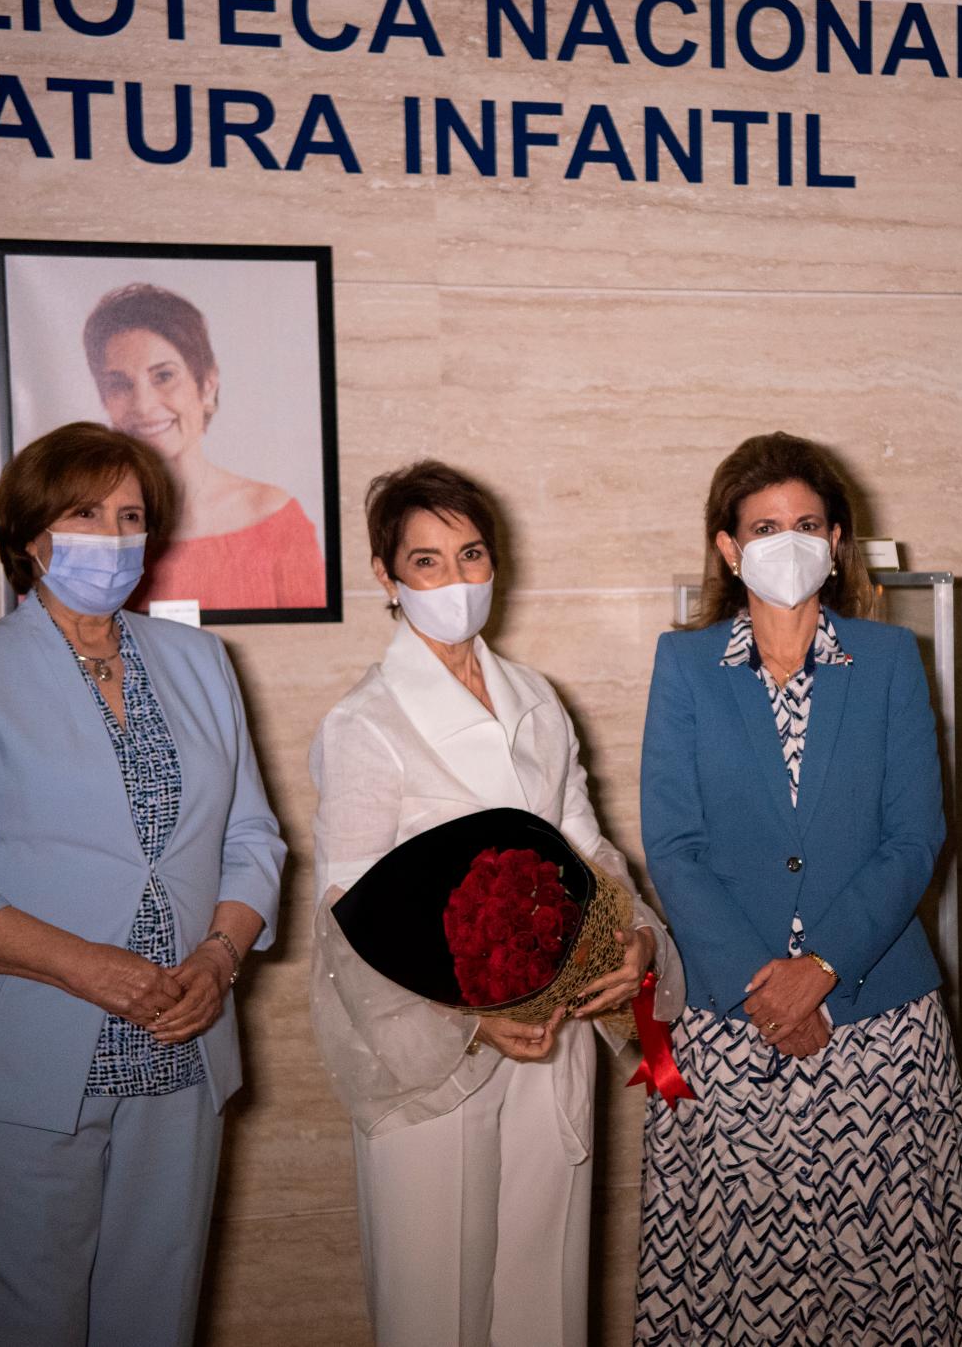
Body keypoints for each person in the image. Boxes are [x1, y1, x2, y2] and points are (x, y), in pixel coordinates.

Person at [0, 422, 285, 1347]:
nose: (112, 533)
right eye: (85, 512)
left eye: (130, 515)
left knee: (153, 1321)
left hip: (179, 1047)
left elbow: (253, 837)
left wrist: (219, 959)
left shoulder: (200, 661)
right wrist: (84, 967)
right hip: (12, 1060)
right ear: (28, 535)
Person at [635, 432, 962, 1345]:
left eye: (805, 523)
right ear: (727, 546)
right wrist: (768, 980)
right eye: (763, 526)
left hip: (879, 1024)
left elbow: (915, 835)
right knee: (736, 1295)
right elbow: (674, 846)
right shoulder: (684, 667)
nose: (785, 541)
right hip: (732, 1024)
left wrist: (823, 965)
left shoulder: (885, 660)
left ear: (837, 540)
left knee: (894, 1293)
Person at [308, 460, 682, 1347]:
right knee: (436, 1302)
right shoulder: (366, 721)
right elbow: (344, 910)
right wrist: (467, 1023)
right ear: (387, 576)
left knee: (542, 1294)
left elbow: (590, 850)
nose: (456, 579)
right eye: (428, 560)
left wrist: (632, 939)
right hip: (431, 1049)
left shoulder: (536, 701)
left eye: (471, 553)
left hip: (554, 1039)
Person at [82, 282, 326, 612]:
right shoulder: (79, 532)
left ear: (207, 385)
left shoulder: (275, 519)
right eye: (120, 384)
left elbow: (315, 650)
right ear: (103, 399)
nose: (143, 404)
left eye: (164, 376)